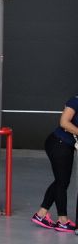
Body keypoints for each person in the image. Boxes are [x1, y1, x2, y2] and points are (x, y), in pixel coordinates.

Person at [32, 95, 78, 232]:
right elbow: (64, 122)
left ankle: (41, 214)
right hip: (59, 143)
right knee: (62, 182)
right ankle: (62, 220)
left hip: (64, 145)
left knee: (61, 181)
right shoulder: (75, 101)